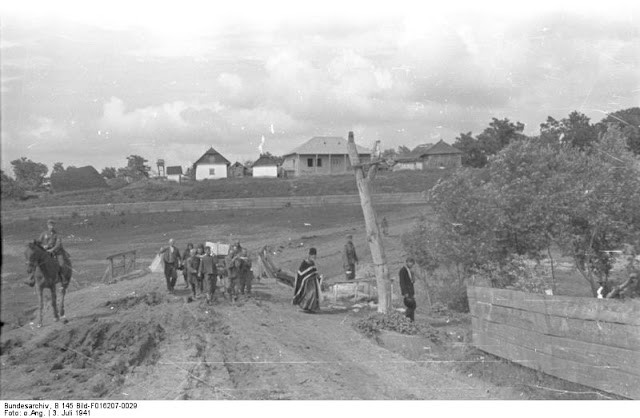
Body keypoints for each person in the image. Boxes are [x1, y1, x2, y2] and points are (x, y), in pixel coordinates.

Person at [26, 219, 68, 286]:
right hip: (45, 252)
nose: (51, 226)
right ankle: (31, 278)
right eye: (50, 225)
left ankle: (62, 278)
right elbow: (39, 241)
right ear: (47, 226)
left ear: (54, 226)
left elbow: (58, 244)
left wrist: (52, 249)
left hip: (56, 252)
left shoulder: (57, 235)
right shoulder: (44, 234)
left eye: (52, 225)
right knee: (36, 262)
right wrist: (36, 242)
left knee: (61, 263)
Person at [293, 247, 322, 313]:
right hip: (305, 284)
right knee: (310, 293)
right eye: (313, 256)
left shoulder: (312, 263)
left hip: (312, 283)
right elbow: (301, 273)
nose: (314, 258)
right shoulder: (304, 263)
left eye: (315, 256)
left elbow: (314, 272)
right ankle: (304, 307)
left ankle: (311, 308)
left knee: (314, 292)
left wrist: (318, 277)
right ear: (309, 255)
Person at [399, 257, 416, 322]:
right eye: (411, 263)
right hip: (407, 292)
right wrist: (405, 292)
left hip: (411, 291)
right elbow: (402, 282)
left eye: (413, 264)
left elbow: (412, 282)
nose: (412, 265)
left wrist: (413, 275)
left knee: (413, 306)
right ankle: (408, 319)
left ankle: (411, 320)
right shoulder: (403, 270)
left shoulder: (409, 270)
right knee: (411, 305)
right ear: (407, 262)